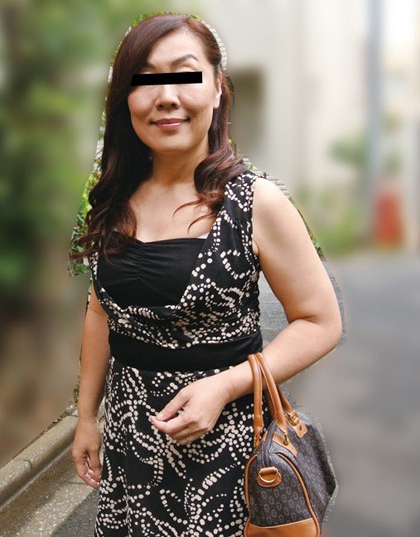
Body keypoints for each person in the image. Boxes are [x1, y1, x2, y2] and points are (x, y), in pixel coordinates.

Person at [68, 12, 342, 537]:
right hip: (130, 444)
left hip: (224, 451)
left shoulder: (254, 202)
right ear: (126, 100)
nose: (166, 97)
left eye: (185, 74)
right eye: (146, 80)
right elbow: (101, 311)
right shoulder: (115, 199)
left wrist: (225, 386)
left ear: (217, 88)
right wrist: (86, 418)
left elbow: (320, 321)